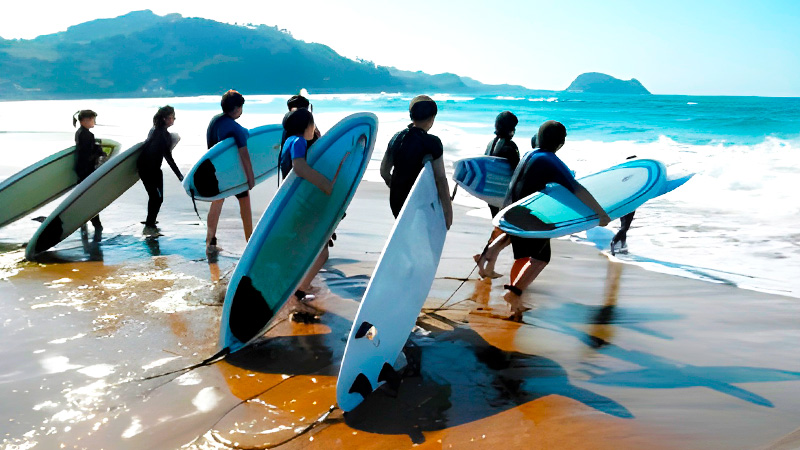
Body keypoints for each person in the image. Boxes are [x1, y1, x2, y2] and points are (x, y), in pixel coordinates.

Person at [481, 120, 610, 321]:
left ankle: (513, 299)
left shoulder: (530, 154)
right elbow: (577, 189)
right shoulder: (551, 160)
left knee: (525, 257)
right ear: (561, 142)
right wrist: (600, 214)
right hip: (527, 216)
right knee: (541, 258)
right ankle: (513, 294)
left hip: (511, 209)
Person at [280, 108, 341, 317]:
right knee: (322, 252)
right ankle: (300, 291)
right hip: (303, 204)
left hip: (295, 205)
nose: (314, 129)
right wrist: (324, 184)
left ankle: (297, 286)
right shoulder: (298, 142)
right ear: (306, 126)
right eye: (312, 124)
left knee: (304, 248)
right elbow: (299, 167)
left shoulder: (287, 142)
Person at [380, 95, 453, 228]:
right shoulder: (432, 142)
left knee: (405, 232)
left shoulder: (396, 138)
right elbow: (440, 179)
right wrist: (448, 213)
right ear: (432, 118)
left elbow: (384, 171)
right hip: (420, 202)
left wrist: (398, 186)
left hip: (396, 201)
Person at [205, 90, 256, 253]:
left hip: (216, 172)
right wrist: (250, 178)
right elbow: (244, 156)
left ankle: (210, 242)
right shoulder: (235, 128)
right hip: (234, 174)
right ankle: (250, 242)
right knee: (245, 202)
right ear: (237, 108)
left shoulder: (215, 121)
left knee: (217, 202)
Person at [473, 111, 521, 278]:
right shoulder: (509, 146)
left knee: (499, 230)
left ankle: (486, 265)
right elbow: (517, 172)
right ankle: (484, 259)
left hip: (491, 193)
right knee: (508, 233)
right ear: (511, 128)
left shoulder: (491, 143)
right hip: (504, 196)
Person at [136, 105, 183, 233]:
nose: (173, 120)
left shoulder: (156, 130)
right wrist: (179, 175)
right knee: (156, 197)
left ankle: (150, 220)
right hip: (146, 169)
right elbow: (168, 157)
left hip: (155, 169)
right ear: (164, 119)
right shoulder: (160, 134)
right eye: (172, 117)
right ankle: (150, 224)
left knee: (158, 198)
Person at [72, 109, 104, 239]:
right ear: (85, 121)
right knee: (91, 198)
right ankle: (96, 224)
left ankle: (85, 221)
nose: (94, 122)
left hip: (81, 169)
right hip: (87, 170)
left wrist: (96, 148)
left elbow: (84, 151)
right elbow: (87, 156)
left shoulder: (79, 133)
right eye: (93, 120)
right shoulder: (87, 135)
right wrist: (99, 152)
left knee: (86, 197)